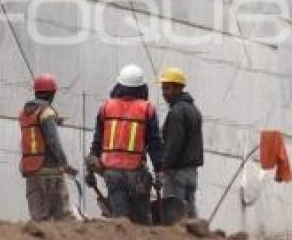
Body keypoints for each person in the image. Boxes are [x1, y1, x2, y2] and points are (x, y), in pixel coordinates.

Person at [85, 64, 163, 225]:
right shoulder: (147, 109)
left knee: (121, 221)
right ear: (142, 88)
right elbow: (154, 144)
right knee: (141, 220)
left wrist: (91, 166)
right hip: (136, 175)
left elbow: (97, 141)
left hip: (112, 173)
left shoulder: (106, 107)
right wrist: (159, 171)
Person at [19, 73, 78, 221]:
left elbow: (37, 128)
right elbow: (53, 140)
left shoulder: (24, 114)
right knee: (64, 217)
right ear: (52, 94)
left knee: (39, 218)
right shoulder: (47, 112)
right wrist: (64, 164)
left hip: (31, 170)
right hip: (50, 170)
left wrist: (54, 121)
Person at [158, 66, 203, 218]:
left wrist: (164, 167)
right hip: (191, 172)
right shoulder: (194, 109)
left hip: (177, 173)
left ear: (178, 88)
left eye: (167, 89)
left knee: (174, 217)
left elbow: (173, 144)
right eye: (163, 89)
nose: (164, 93)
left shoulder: (177, 112)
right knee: (190, 215)